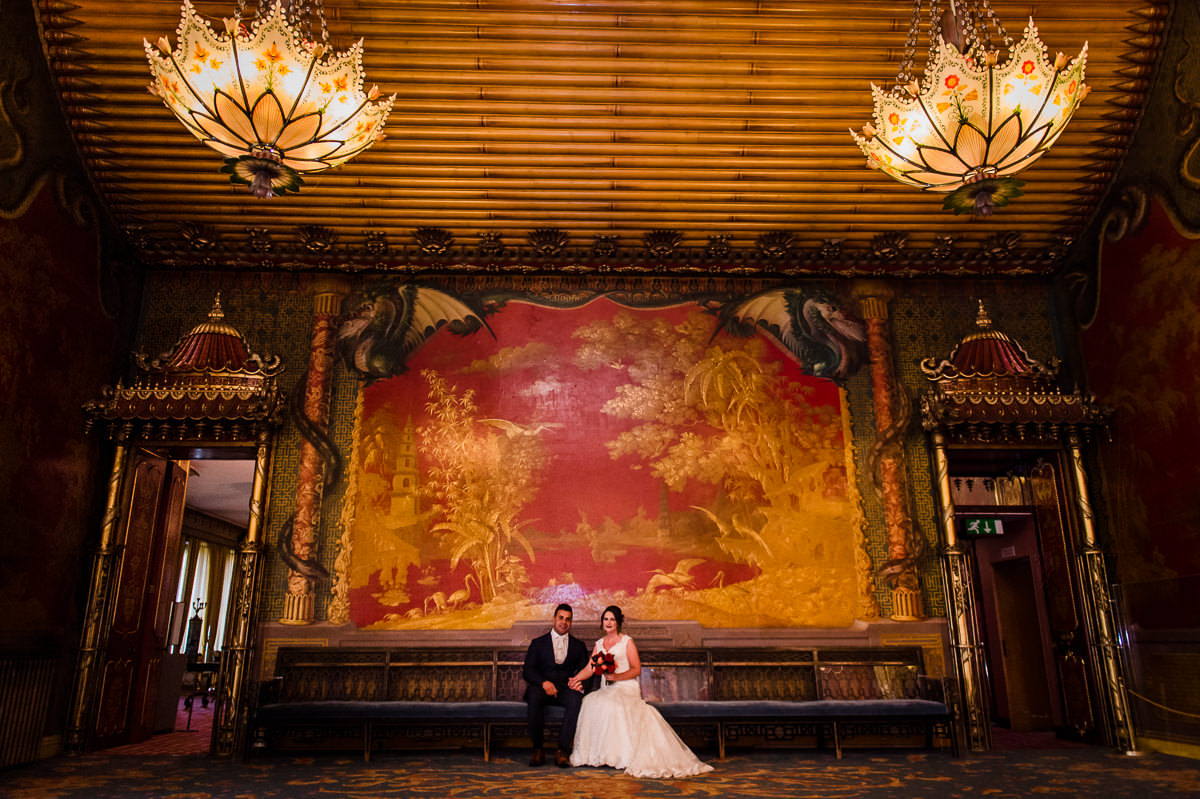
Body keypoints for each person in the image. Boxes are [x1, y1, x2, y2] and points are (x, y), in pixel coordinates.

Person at [568, 605, 713, 779]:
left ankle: (621, 756)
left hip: (625, 687)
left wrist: (616, 676)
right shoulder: (599, 644)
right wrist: (575, 679)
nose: (609, 622)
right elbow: (590, 668)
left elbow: (636, 669)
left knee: (613, 705)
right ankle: (597, 755)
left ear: (618, 622)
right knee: (590, 702)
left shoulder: (626, 642)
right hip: (606, 688)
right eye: (606, 619)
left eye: (612, 619)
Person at [523, 603, 590, 767]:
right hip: (542, 688)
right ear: (554, 619)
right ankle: (537, 749)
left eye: (568, 619)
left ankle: (562, 750)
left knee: (576, 699)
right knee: (533, 695)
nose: (564, 622)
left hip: (565, 690)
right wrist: (543, 682)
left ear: (571, 622)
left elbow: (587, 671)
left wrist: (580, 685)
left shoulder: (578, 646)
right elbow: (528, 670)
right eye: (561, 618)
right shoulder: (538, 643)